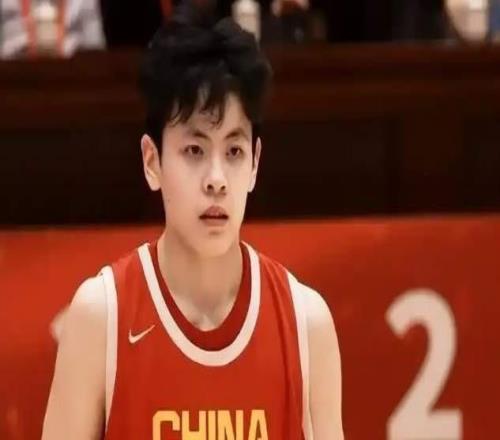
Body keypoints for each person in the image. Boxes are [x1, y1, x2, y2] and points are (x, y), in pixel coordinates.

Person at [41, 1, 343, 439]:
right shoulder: (100, 317)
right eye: (194, 150)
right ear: (152, 162)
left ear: (255, 164)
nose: (216, 179)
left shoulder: (306, 323)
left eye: (234, 151)